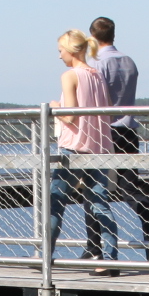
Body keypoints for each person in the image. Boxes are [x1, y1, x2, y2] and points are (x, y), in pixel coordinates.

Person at [88, 17, 149, 263]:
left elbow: (96, 100)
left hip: (105, 131)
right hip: (128, 130)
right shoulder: (128, 61)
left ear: (92, 37)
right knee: (131, 188)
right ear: (113, 34)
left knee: (94, 188)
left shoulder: (97, 63)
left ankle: (94, 247)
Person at [49, 29, 118, 274]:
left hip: (73, 148)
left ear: (71, 50)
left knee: (55, 201)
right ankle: (110, 260)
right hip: (99, 148)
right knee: (99, 203)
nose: (59, 56)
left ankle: (45, 255)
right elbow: (108, 110)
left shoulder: (70, 76)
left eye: (61, 51)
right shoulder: (97, 75)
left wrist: (54, 107)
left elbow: (70, 115)